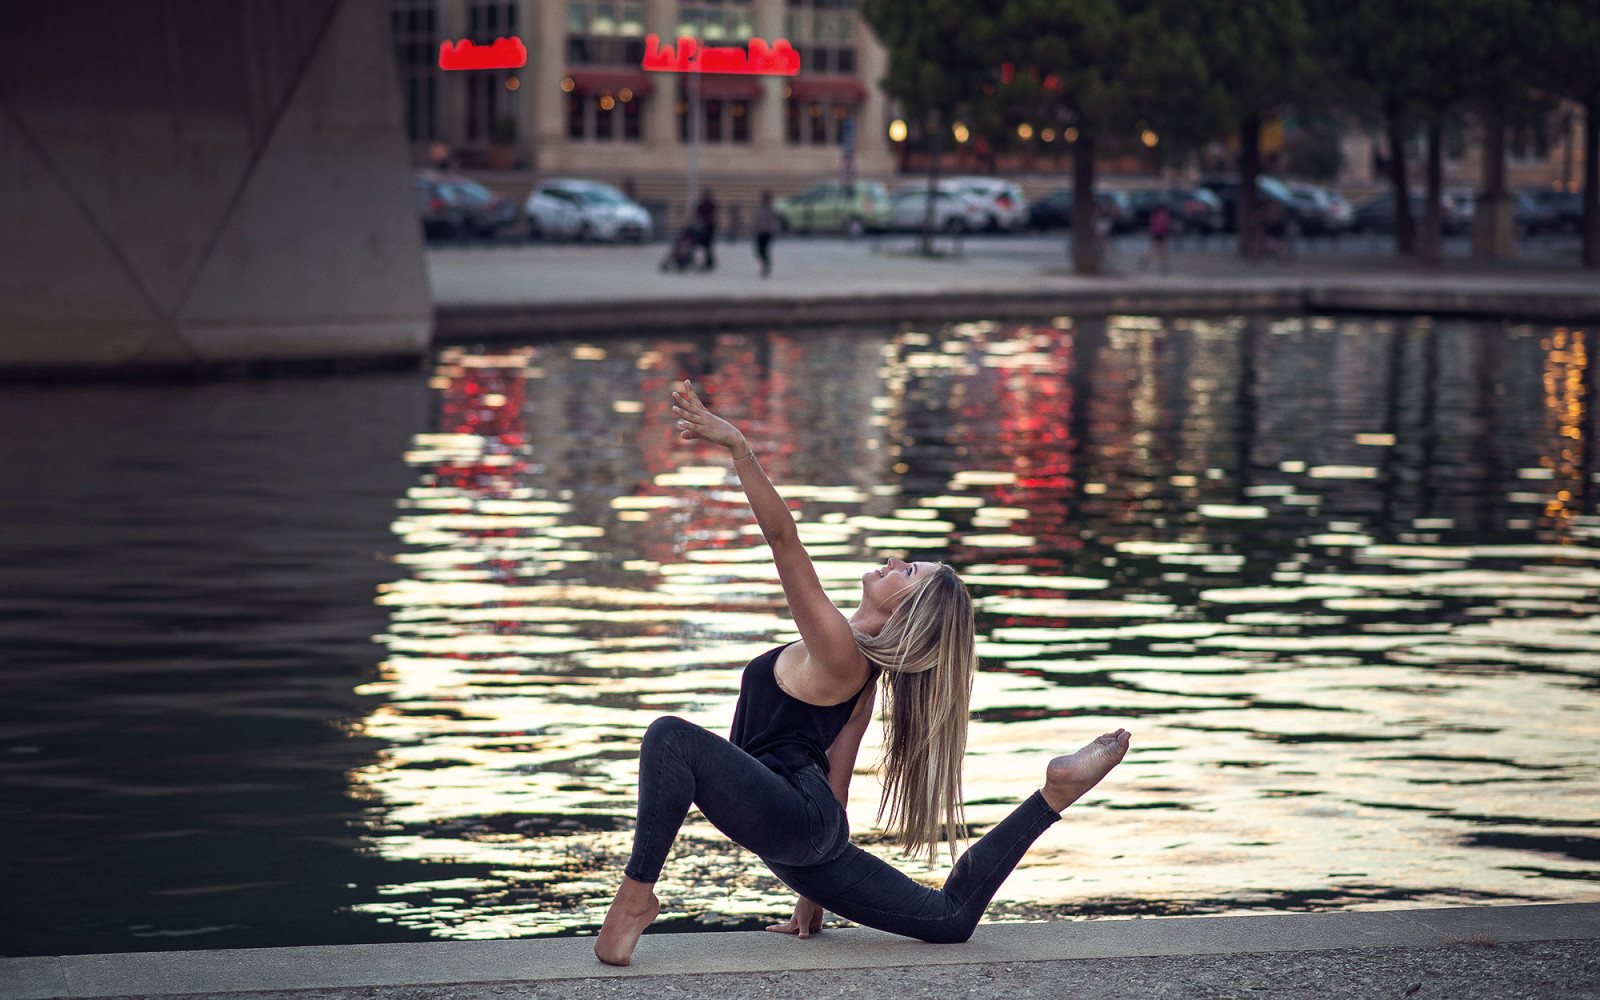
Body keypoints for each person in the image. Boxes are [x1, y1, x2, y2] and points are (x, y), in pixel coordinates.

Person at [593, 379, 1132, 966]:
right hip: (804, 830)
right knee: (947, 919)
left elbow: (783, 540)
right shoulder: (861, 673)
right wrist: (810, 888)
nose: (896, 561)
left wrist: (739, 448)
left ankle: (636, 897)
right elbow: (837, 784)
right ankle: (1051, 796)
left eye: (910, 572)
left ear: (906, 610)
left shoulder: (840, 652)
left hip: (797, 823)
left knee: (670, 739)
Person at [754, 190, 778, 278]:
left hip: (768, 232)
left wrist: (773, 230)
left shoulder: (772, 208)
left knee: (765, 249)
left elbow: (775, 220)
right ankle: (765, 263)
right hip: (760, 231)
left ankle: (766, 266)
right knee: (759, 250)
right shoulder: (759, 208)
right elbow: (756, 219)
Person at [694, 188, 718, 271]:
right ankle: (706, 262)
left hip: (709, 228)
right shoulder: (702, 206)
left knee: (707, 246)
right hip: (704, 228)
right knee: (704, 247)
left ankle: (708, 262)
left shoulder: (711, 205)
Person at [1147, 201, 1171, 273]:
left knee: (1156, 249)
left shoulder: (1154, 214)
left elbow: (1152, 225)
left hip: (1155, 233)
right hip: (1161, 234)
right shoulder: (1163, 214)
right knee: (1163, 250)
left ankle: (1146, 260)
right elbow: (1165, 223)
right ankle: (1164, 265)